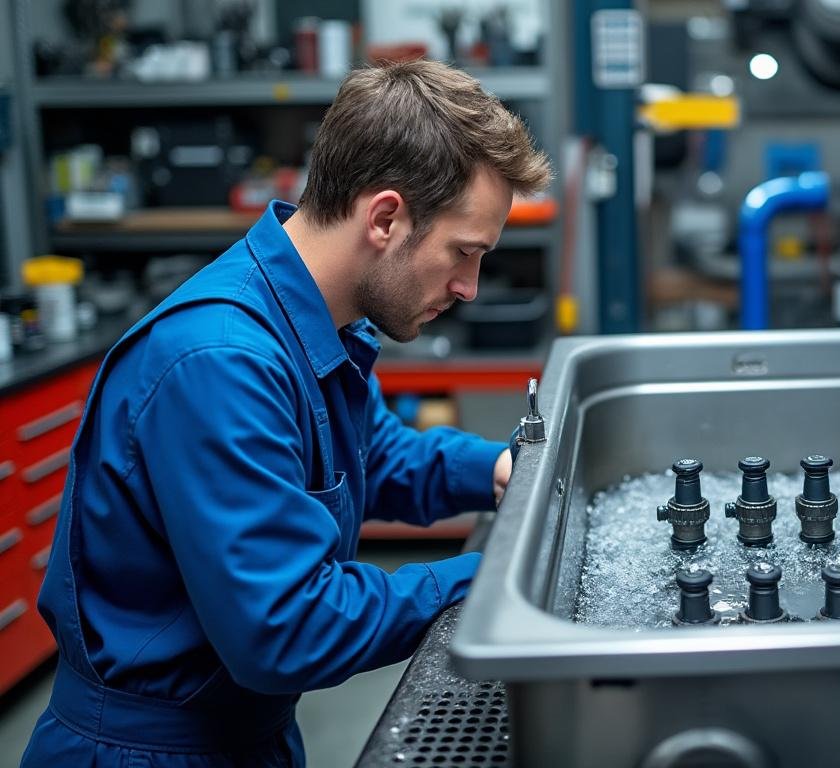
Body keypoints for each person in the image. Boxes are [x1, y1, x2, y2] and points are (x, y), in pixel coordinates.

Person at [22, 60, 551, 766]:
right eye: (464, 252)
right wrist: (493, 576)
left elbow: (370, 455)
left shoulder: (313, 319)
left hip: (243, 735)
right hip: (148, 751)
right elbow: (288, 628)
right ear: (386, 217)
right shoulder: (221, 362)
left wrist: (495, 468)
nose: (470, 287)